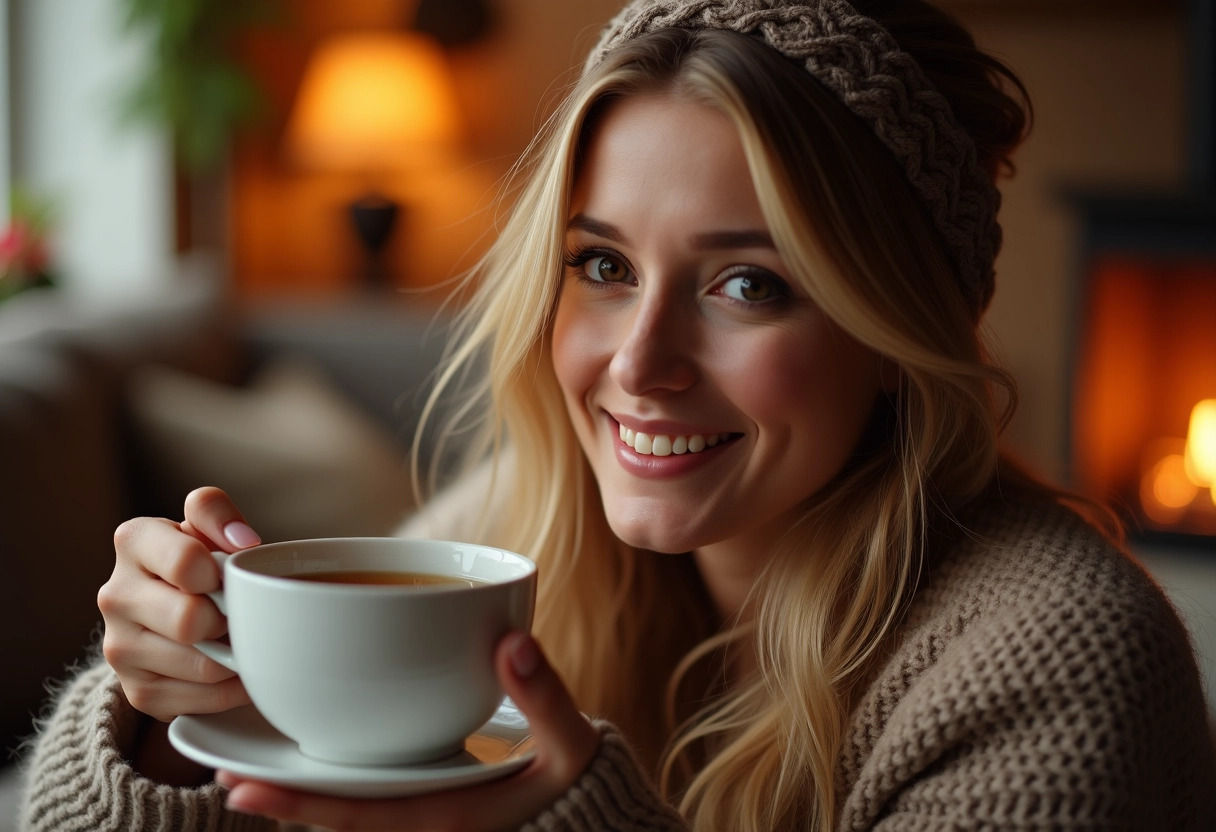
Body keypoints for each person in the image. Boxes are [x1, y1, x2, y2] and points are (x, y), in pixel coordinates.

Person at [18, 0, 1216, 829]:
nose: (638, 365)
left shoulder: (1056, 659)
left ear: (894, 333)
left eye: (748, 284)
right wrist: (165, 717)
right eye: (601, 265)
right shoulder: (510, 524)